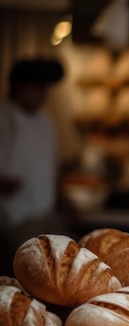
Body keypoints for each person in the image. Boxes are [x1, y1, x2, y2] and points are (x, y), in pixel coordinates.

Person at [0, 58, 69, 276]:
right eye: (39, 88)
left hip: (46, 217)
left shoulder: (45, 122)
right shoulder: (5, 118)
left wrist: (63, 200)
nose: (44, 94)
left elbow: (50, 168)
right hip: (15, 220)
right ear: (20, 85)